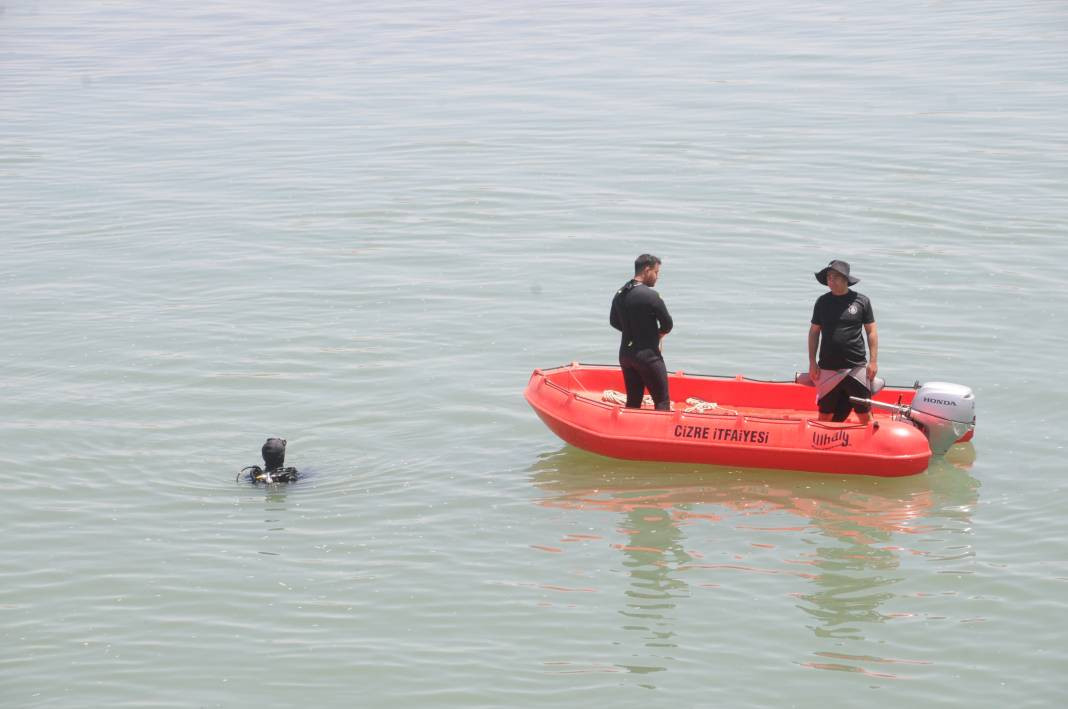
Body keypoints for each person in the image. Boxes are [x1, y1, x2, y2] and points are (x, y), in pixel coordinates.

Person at [807, 260, 879, 423]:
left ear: (846, 279)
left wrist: (873, 361)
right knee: (825, 415)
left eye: (835, 277)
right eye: (828, 277)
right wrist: (812, 362)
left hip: (856, 367)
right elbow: (814, 333)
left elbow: (871, 332)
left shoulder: (861, 301)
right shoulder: (822, 302)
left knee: (864, 414)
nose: (830, 281)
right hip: (828, 368)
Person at [610, 253, 674, 410]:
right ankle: (660, 434)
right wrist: (658, 334)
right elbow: (667, 323)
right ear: (647, 270)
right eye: (656, 272)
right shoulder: (651, 296)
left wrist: (633, 332)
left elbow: (614, 321)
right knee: (662, 402)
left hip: (626, 355)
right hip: (648, 356)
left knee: (633, 401)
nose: (657, 277)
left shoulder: (620, 293)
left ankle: (627, 432)